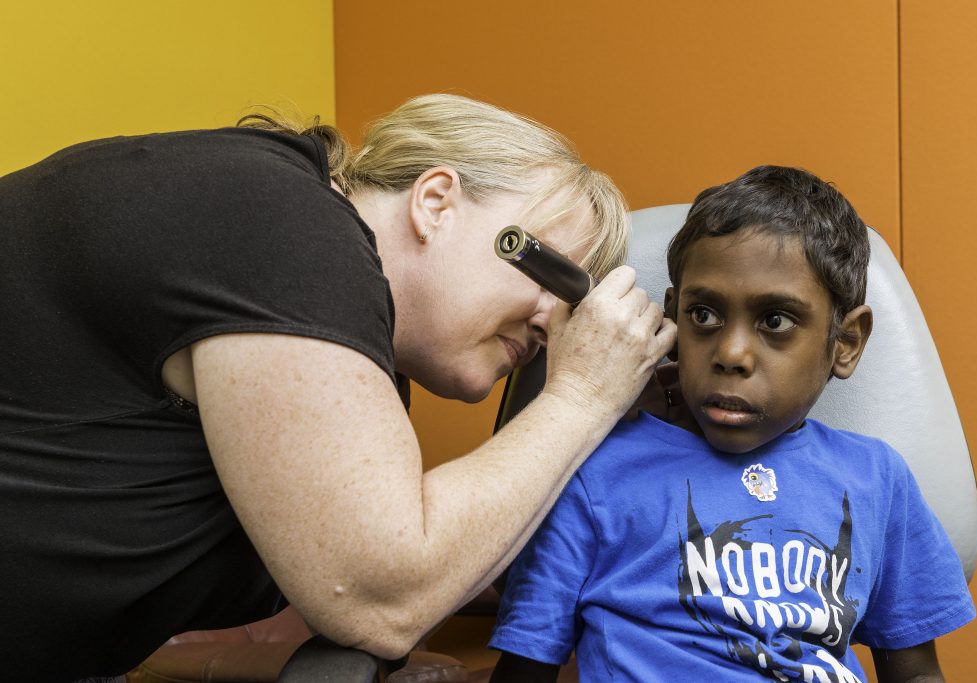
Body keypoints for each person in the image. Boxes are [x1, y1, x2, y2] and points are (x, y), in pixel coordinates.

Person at [0, 94, 676, 680]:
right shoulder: (286, 226)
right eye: (549, 274)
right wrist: (584, 396)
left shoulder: (348, 333)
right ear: (436, 201)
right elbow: (379, 596)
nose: (551, 323)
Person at [487, 166, 976, 683]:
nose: (731, 353)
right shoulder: (593, 474)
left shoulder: (879, 479)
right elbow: (524, 666)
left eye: (776, 321)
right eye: (704, 315)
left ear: (846, 343)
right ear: (673, 317)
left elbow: (918, 673)